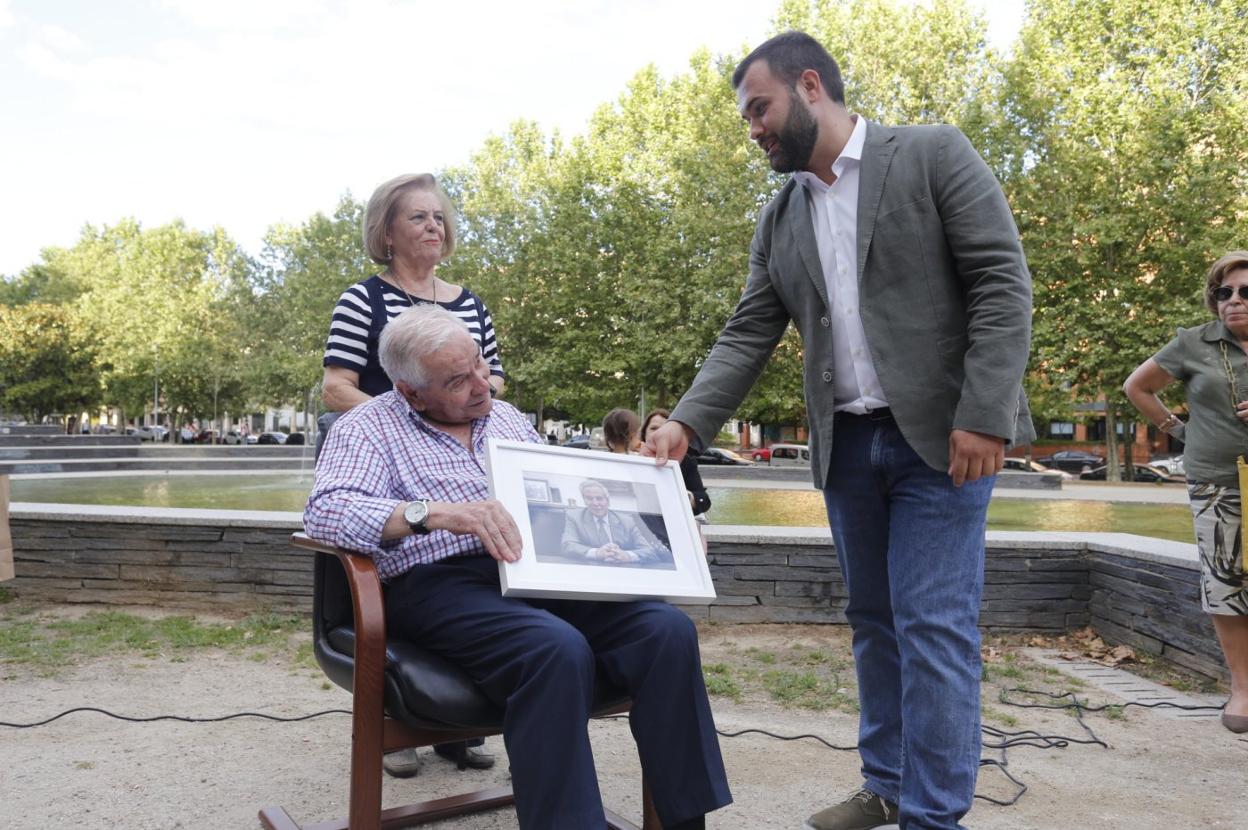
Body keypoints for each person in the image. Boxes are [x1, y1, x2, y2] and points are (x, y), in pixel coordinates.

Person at [644, 31, 1033, 830]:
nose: (752, 127)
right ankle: (885, 783)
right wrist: (687, 422)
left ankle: (933, 816)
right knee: (873, 621)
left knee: (933, 627)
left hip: (944, 441)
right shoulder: (782, 214)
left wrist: (985, 414)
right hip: (848, 447)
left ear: (810, 85)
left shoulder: (931, 154)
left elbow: (1003, 284)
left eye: (760, 107)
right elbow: (749, 331)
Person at [304, 305, 730, 829]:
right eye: (458, 381)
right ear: (410, 391)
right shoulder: (367, 428)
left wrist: (668, 526)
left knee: (665, 631)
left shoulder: (505, 418)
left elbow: (566, 498)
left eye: (480, 367)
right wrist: (435, 514)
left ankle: (681, 823)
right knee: (553, 648)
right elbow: (326, 512)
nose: (481, 385)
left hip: (536, 571)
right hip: (440, 584)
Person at [319, 172, 500, 775]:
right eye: (418, 217)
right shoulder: (363, 300)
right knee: (406, 569)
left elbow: (492, 382)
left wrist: (461, 405)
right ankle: (402, 729)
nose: (433, 226)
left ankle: (461, 731)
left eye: (439, 217)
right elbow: (336, 386)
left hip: (459, 452)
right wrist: (400, 424)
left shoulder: (470, 303)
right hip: (386, 467)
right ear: (387, 232)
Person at [1124, 250, 1248, 734]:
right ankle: (1242, 686)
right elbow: (1138, 387)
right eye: (1225, 292)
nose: (1233, 301)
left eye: (1245, 292)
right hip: (1217, 480)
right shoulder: (1194, 344)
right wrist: (1179, 431)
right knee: (1226, 582)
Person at [559, 479, 671, 565]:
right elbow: (567, 545)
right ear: (584, 500)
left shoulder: (627, 521)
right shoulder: (574, 516)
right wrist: (597, 553)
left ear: (608, 501)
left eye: (599, 498)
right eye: (589, 498)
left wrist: (627, 556)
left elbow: (650, 552)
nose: (595, 503)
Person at [641, 409, 711, 519]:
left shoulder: (686, 461)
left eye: (665, 429)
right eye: (654, 428)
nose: (660, 434)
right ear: (644, 433)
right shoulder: (631, 460)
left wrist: (685, 496)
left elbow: (703, 500)